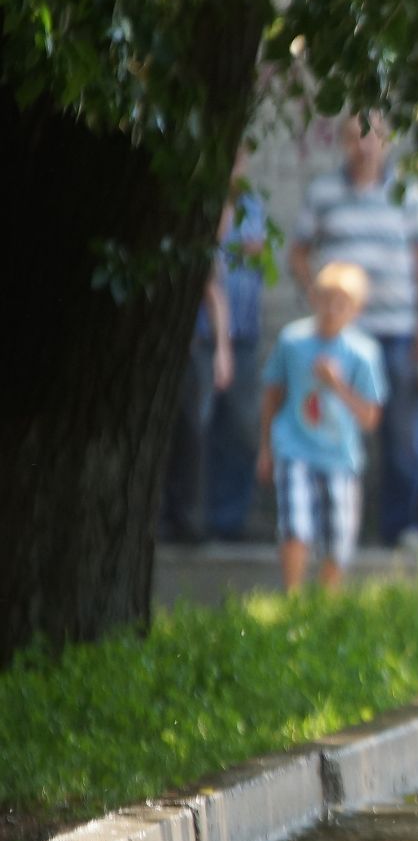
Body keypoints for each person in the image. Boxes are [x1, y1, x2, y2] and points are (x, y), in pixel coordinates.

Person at [290, 113, 418, 548]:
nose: (365, 146)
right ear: (341, 142)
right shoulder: (323, 193)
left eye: (373, 137)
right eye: (355, 138)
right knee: (330, 423)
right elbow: (298, 256)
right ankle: (326, 528)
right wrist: (321, 300)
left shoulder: (409, 193)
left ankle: (398, 529)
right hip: (341, 337)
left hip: (398, 330)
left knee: (401, 433)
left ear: (388, 142)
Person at [257, 262, 387, 591]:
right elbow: (273, 394)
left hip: (340, 455)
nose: (331, 310)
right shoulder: (292, 341)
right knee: (295, 525)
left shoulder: (364, 353)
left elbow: (370, 417)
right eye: (325, 299)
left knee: (339, 537)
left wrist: (338, 385)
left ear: (356, 309)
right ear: (313, 298)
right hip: (293, 445)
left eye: (341, 303)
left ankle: (326, 607)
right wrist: (266, 447)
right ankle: (293, 598)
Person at [205, 150, 270, 540]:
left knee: (242, 426)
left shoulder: (250, 203)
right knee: (200, 425)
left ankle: (229, 520)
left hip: (244, 330)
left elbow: (254, 249)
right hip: (201, 334)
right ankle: (195, 520)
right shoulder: (196, 201)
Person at [158, 218, 235, 544]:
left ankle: (186, 519)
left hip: (188, 351)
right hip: (158, 351)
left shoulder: (194, 244)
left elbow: (213, 293)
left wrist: (221, 349)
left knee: (191, 433)